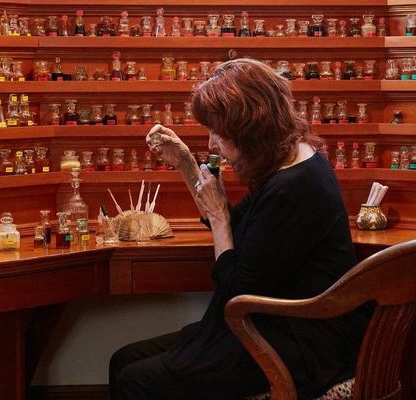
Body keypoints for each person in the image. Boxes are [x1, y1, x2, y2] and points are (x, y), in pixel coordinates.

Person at [110, 58, 372, 400]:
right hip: (270, 327)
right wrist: (187, 164)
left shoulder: (293, 188)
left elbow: (237, 290)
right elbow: (235, 227)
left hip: (296, 343)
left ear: (252, 130)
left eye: (220, 134)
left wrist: (218, 216)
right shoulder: (292, 161)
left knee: (136, 380)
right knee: (124, 361)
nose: (212, 144)